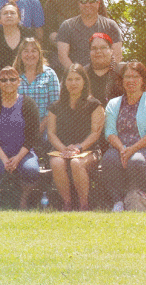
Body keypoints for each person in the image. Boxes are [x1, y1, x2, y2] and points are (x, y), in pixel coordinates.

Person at [102, 62, 146, 212]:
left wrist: (132, 150)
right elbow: (109, 132)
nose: (131, 80)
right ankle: (118, 202)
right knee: (108, 160)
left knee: (136, 161)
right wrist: (122, 149)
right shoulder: (114, 104)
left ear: (143, 80)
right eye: (127, 77)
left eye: (135, 76)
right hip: (120, 148)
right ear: (121, 81)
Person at [0, 66, 40, 209]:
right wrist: (4, 159)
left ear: (19, 82)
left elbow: (32, 136)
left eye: (12, 79)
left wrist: (17, 158)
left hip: (22, 151)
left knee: (31, 169)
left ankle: (23, 199)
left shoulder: (28, 104)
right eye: (4, 80)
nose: (8, 82)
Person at [46, 64, 105, 211]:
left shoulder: (94, 105)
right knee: (57, 163)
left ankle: (84, 205)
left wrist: (78, 148)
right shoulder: (55, 106)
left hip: (88, 150)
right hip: (62, 150)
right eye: (69, 79)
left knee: (76, 163)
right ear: (64, 82)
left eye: (77, 79)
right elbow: (51, 133)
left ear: (84, 81)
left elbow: (95, 133)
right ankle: (67, 203)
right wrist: (64, 149)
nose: (73, 83)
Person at [44, 0, 108, 70]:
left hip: (92, 51)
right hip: (63, 52)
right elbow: (50, 31)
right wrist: (65, 45)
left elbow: (104, 25)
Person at [57, 0, 122, 70]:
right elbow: (62, 56)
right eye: (84, 2)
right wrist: (77, 74)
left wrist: (106, 73)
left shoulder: (110, 25)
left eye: (92, 1)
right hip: (76, 77)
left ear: (98, 3)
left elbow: (117, 55)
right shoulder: (67, 26)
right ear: (79, 4)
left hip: (105, 75)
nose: (88, 5)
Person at [13, 38, 60, 153]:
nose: (30, 54)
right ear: (20, 55)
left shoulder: (49, 74)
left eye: (34, 51)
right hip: (19, 126)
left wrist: (40, 127)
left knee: (48, 141)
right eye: (26, 51)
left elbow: (55, 107)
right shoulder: (13, 75)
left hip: (45, 125)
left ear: (39, 54)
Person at [0, 2, 35, 96]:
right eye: (5, 13)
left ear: (19, 18)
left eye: (12, 13)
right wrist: (4, 81)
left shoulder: (28, 35)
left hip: (26, 77)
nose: (9, 15)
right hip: (1, 80)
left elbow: (35, 59)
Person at [85, 32, 123, 107]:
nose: (98, 51)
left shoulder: (122, 73)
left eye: (103, 47)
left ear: (111, 51)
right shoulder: (82, 73)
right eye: (94, 48)